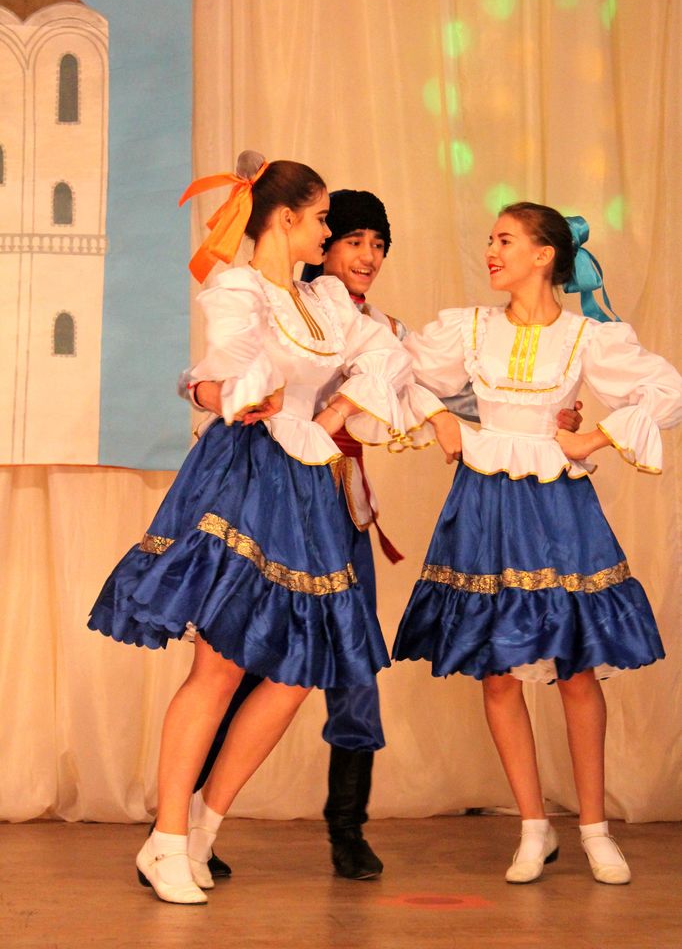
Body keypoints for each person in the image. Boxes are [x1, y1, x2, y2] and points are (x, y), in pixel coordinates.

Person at [183, 190, 583, 882]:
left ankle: (346, 828)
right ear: (321, 246)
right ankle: (184, 822)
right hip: (266, 499)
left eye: (379, 243)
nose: (368, 256)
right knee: (235, 660)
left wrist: (554, 415)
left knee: (352, 665)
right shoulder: (286, 307)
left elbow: (462, 390)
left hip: (340, 508)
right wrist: (204, 394)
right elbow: (212, 375)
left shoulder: (384, 329)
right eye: (352, 240)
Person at [87, 152, 449, 905]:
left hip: (308, 485)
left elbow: (386, 357)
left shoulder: (328, 301)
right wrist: (232, 389)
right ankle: (168, 837)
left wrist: (335, 409)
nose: (328, 233)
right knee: (220, 666)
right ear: (285, 219)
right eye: (321, 219)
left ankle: (202, 829)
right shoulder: (239, 289)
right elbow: (232, 364)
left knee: (293, 673)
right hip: (247, 474)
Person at [393, 202, 682, 885]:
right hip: (484, 506)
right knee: (498, 671)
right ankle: (532, 826)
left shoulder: (585, 337)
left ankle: (594, 829)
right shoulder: (470, 327)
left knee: (575, 669)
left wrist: (593, 436)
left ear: (544, 254)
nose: (491, 252)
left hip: (557, 507)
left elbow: (666, 389)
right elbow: (395, 371)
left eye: (505, 240)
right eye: (490, 240)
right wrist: (441, 419)